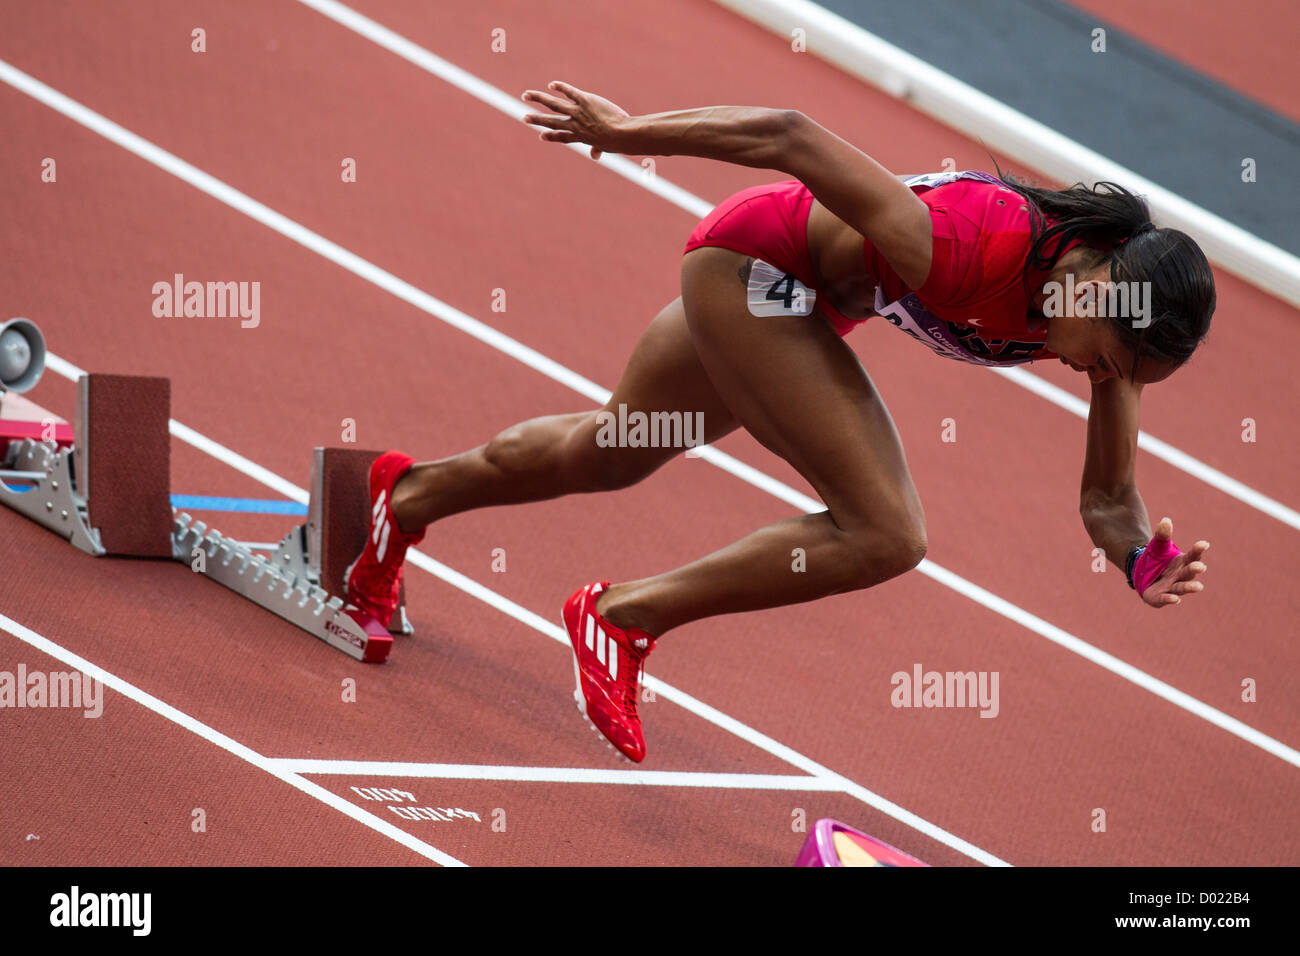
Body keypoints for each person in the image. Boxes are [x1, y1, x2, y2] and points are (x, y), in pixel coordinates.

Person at [345, 82, 1214, 763]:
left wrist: (1140, 555)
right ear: (1103, 290)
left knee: (612, 449)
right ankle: (622, 618)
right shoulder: (962, 244)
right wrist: (625, 132)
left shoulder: (1105, 322)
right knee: (887, 532)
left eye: (1124, 379)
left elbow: (1107, 496)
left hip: (799, 300)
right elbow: (789, 136)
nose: (1099, 381)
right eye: (1106, 362)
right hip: (753, 267)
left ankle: (402, 498)